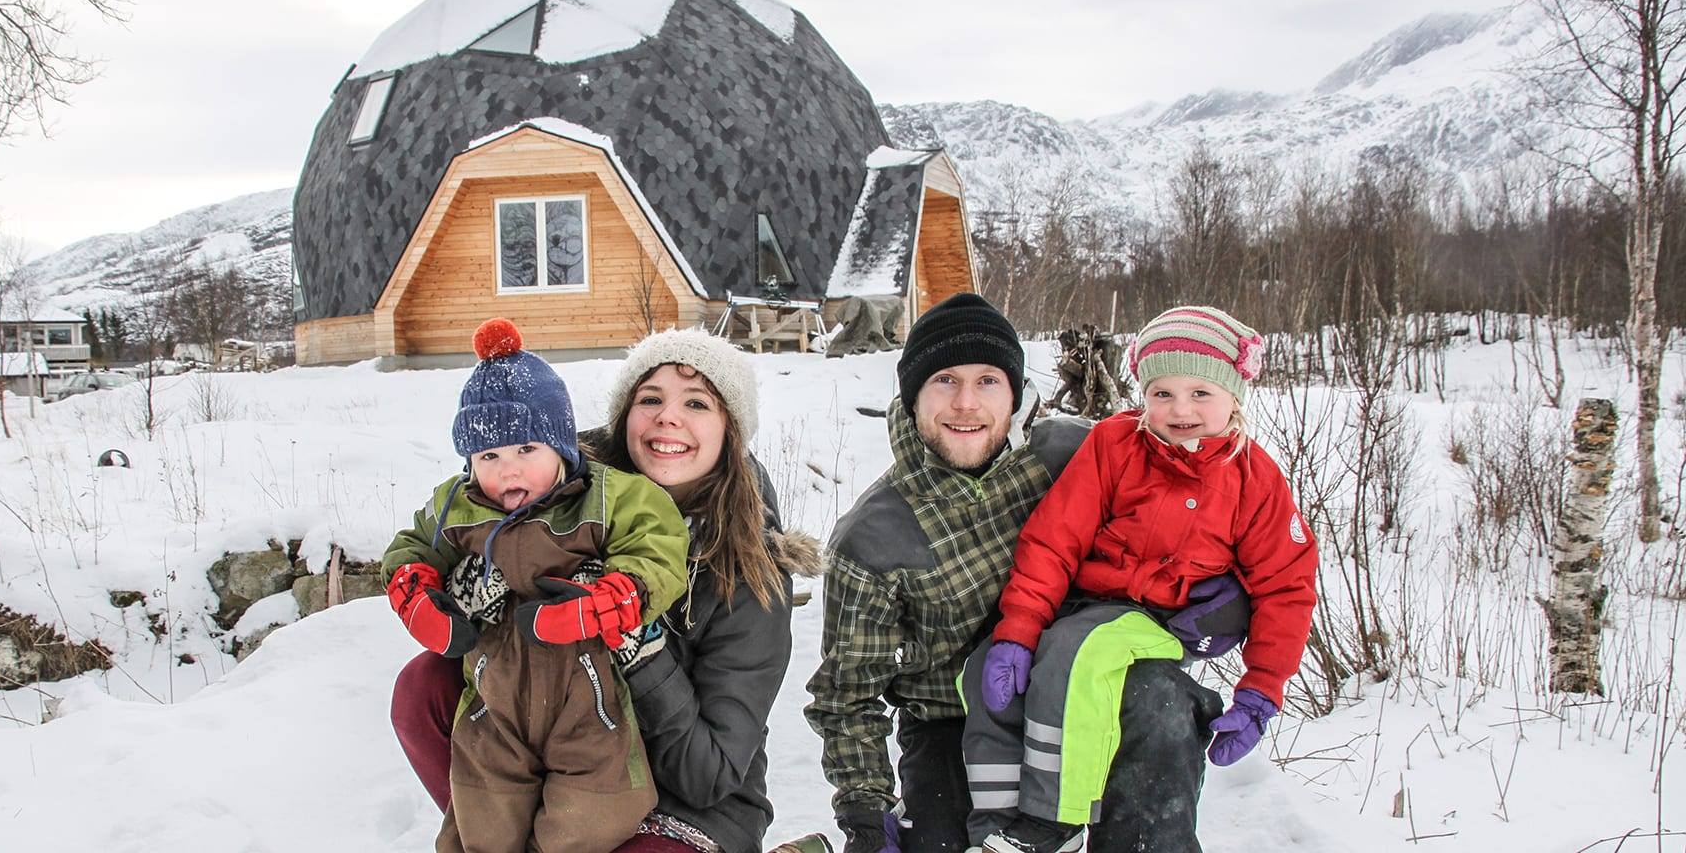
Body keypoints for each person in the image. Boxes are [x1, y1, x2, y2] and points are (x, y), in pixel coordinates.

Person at [390, 327, 823, 853]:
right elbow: (446, 530)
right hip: (549, 754)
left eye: (696, 403)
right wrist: (466, 590)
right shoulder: (556, 490)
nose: (668, 417)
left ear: (730, 429)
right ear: (625, 416)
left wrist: (638, 645)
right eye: (650, 399)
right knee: (424, 687)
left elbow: (707, 775)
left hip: (681, 802)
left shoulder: (752, 573)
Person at [962, 306, 1319, 853]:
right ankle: (994, 822)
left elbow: (1285, 585)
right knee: (985, 668)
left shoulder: (1254, 478)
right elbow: (1056, 538)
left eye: (1200, 393)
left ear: (1233, 397)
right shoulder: (1115, 444)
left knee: (1074, 655)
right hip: (1088, 603)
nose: (1181, 410)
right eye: (1163, 393)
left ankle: (1053, 820)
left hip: (1164, 617)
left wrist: (1261, 690)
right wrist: (1017, 629)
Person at [381, 319, 691, 853]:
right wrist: (418, 600)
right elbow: (409, 550)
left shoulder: (606, 497)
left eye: (526, 449)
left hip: (588, 705)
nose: (509, 472)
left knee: (588, 821)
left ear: (560, 446)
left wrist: (607, 602)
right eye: (489, 457)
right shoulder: (456, 507)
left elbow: (657, 547)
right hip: (492, 706)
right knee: (482, 826)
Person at [804, 292, 1092, 853]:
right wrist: (866, 809)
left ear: (1015, 394)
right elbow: (848, 696)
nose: (966, 403)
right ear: (913, 395)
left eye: (988, 380)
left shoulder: (1073, 456)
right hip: (950, 721)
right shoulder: (871, 538)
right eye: (944, 380)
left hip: (1083, 694)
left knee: (1156, 741)